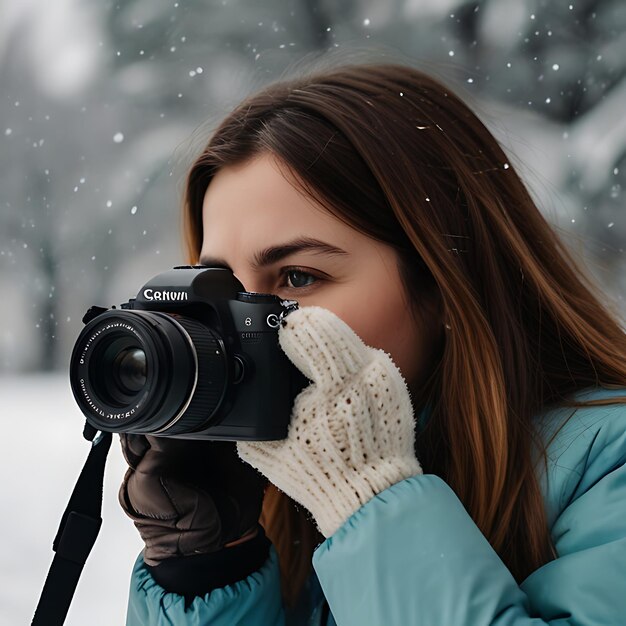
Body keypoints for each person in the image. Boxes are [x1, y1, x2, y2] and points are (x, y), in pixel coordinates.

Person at [118, 61, 626, 625]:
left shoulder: (608, 467)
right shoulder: (283, 497)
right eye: (223, 289)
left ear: (443, 283)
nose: (241, 329)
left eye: (298, 277)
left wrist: (367, 500)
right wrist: (210, 568)